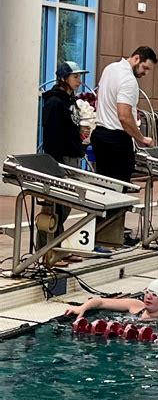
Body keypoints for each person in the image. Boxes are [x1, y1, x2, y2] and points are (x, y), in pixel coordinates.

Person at [39, 61, 88, 264]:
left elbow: (70, 128)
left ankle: (59, 247)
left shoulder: (70, 101)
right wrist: (56, 164)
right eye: (75, 77)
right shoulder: (54, 103)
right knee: (54, 206)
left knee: (66, 206)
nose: (79, 81)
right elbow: (51, 136)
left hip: (73, 157)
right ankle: (46, 252)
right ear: (63, 78)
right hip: (61, 160)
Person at [91, 46, 158, 184]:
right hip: (116, 141)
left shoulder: (110, 69)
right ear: (136, 58)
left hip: (100, 135)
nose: (146, 73)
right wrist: (142, 138)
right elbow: (124, 116)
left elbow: (102, 97)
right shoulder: (129, 80)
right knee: (118, 190)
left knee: (104, 186)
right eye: (145, 68)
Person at [64, 278, 158, 321]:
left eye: (154, 295)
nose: (148, 297)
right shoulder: (136, 305)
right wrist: (82, 308)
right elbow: (101, 301)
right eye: (147, 292)